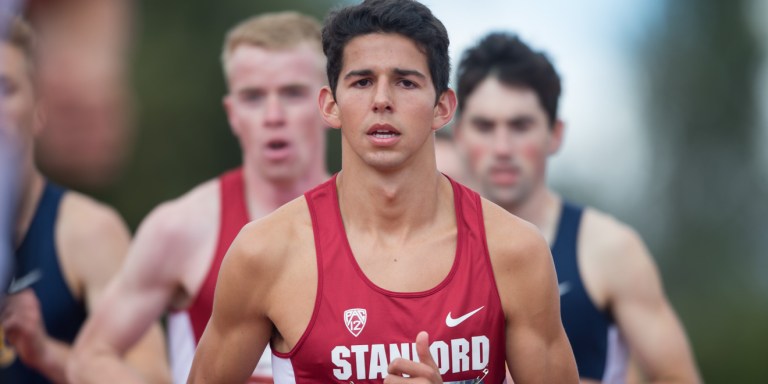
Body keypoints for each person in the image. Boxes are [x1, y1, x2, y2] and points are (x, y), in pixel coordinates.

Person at [187, 1, 578, 383]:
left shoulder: (514, 251)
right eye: (362, 82)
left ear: (443, 107)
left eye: (405, 82)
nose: (381, 101)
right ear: (330, 105)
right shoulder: (265, 253)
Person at [69, 11, 331, 384]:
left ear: (328, 104)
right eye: (253, 97)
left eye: (292, 93)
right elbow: (90, 357)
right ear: (232, 113)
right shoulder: (182, 227)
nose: (273, 115)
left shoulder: (370, 218)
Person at [449, 32, 702, 383]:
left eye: (520, 126)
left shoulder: (608, 248)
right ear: (459, 134)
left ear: (555, 134)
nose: (502, 147)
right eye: (485, 126)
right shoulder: (421, 246)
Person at [0, 15, 168, 384]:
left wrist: (44, 352)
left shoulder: (87, 233)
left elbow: (152, 378)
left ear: (40, 110)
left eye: (5, 89)